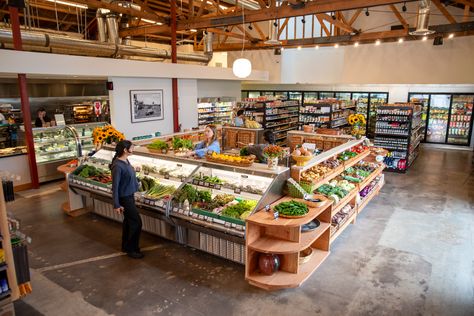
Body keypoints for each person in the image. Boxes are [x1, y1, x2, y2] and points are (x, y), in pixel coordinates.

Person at [110, 140, 143, 259]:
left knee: (128, 222)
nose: (133, 149)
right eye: (132, 147)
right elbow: (116, 187)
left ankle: (126, 246)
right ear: (125, 150)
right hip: (124, 198)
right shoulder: (117, 166)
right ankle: (132, 249)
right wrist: (116, 205)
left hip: (130, 196)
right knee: (137, 223)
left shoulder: (126, 161)